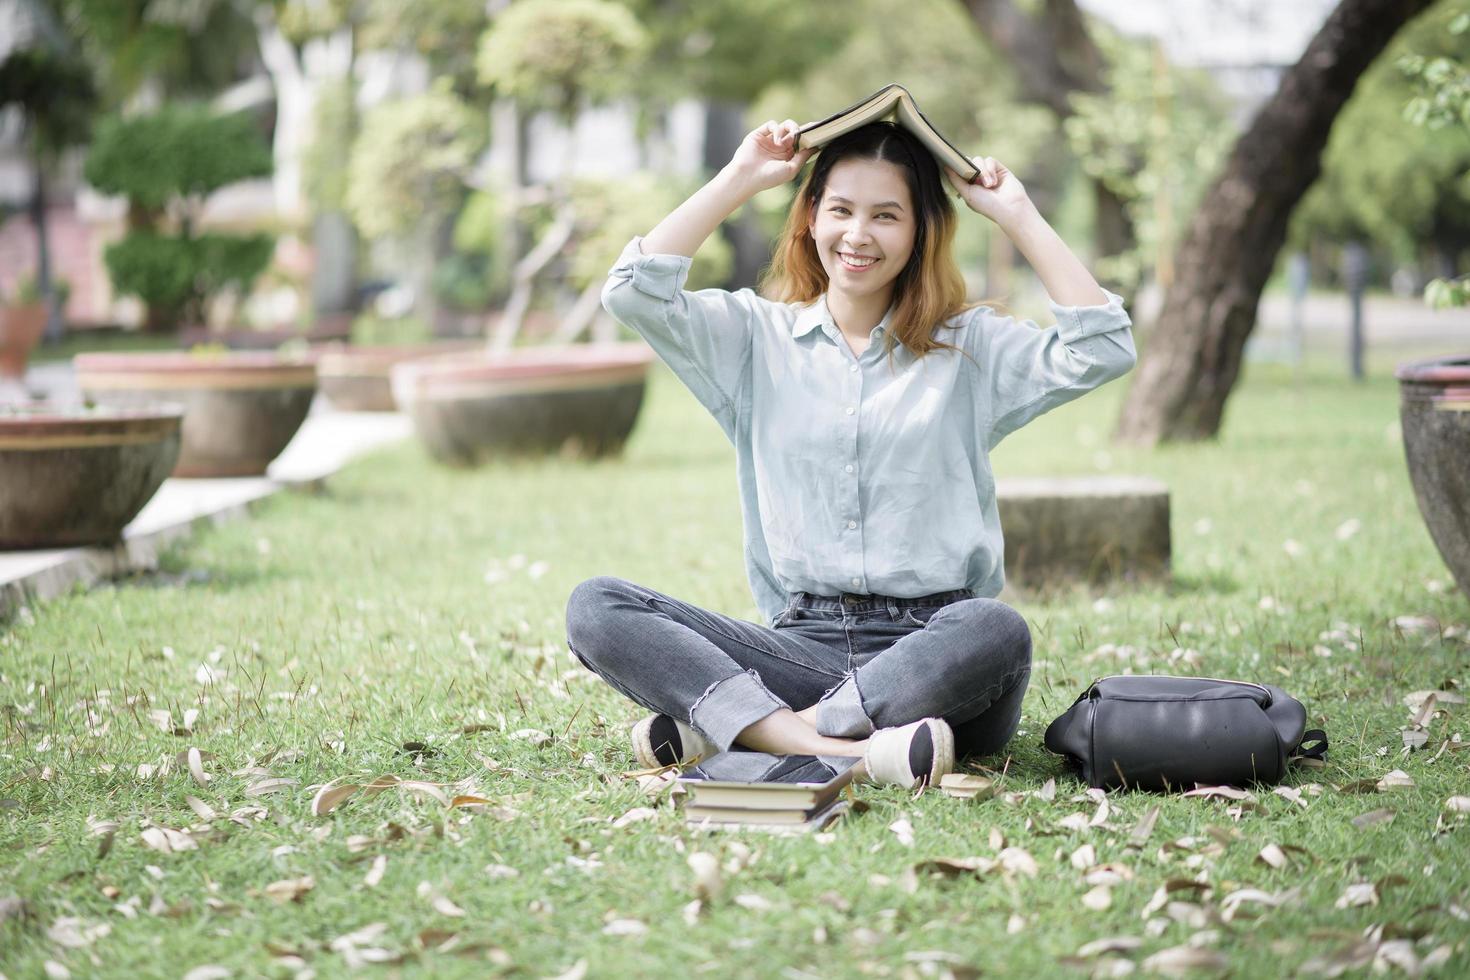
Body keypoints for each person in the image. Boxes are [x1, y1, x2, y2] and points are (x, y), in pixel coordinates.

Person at [565, 116, 1135, 789]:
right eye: (840, 209)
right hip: (801, 643)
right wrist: (741, 178)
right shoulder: (754, 340)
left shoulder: (968, 349)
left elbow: (1103, 347)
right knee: (596, 606)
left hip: (938, 660)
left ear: (921, 230)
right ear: (810, 217)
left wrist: (1016, 214)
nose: (858, 235)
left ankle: (749, 732)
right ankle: (845, 751)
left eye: (886, 216)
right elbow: (632, 291)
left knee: (996, 629)